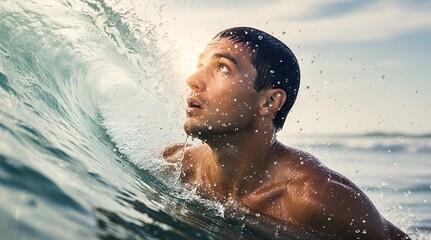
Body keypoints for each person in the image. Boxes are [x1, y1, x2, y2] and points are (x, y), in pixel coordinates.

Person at [163, 26, 410, 239]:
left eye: (223, 68)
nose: (193, 79)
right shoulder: (176, 164)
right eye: (200, 66)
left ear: (269, 102)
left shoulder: (316, 199)